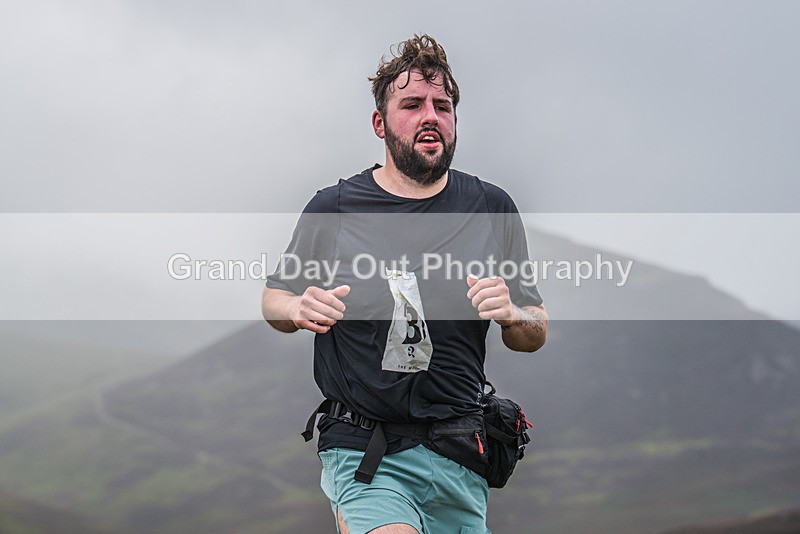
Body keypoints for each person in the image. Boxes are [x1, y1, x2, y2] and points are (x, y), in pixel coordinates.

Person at [262, 34, 547, 534]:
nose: (430, 115)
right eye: (412, 104)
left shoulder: (491, 207)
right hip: (366, 450)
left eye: (443, 105)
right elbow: (274, 299)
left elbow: (534, 329)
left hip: (460, 454)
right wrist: (297, 308)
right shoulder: (334, 208)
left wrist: (511, 313)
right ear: (380, 123)